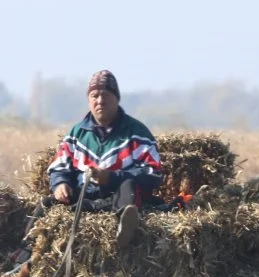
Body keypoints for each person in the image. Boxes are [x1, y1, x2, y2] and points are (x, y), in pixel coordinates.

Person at [36, 69, 164, 249]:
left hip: (117, 199)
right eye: (94, 95)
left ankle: (123, 232)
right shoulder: (77, 133)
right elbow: (60, 166)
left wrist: (112, 178)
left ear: (117, 98)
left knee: (128, 186)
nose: (100, 100)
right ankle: (21, 260)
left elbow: (154, 173)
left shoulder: (137, 133)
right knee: (45, 204)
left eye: (106, 95)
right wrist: (60, 184)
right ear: (88, 100)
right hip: (85, 198)